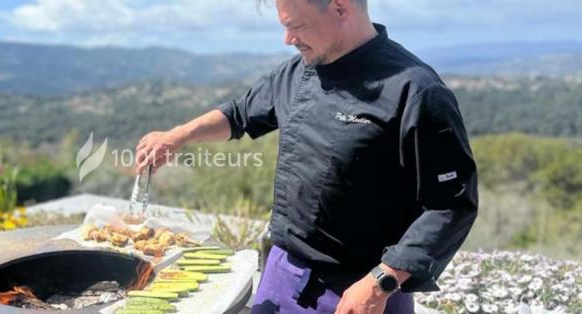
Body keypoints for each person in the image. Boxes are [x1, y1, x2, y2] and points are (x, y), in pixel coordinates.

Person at [134, 0, 478, 313]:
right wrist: (177, 136)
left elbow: (451, 205)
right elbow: (238, 115)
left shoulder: (416, 90)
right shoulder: (296, 73)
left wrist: (382, 282)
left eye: (296, 26)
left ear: (341, 8)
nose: (288, 39)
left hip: (361, 291)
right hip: (281, 272)